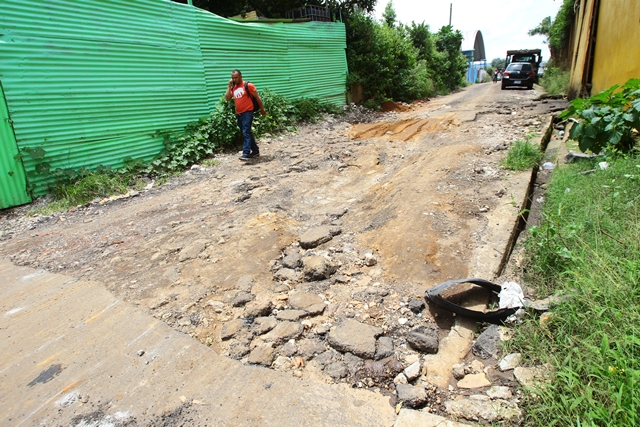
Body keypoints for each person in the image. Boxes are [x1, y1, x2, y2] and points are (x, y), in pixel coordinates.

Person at [225, 69, 266, 161]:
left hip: (248, 112)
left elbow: (257, 98)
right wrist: (229, 86)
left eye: (236, 77)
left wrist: (262, 109)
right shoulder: (233, 87)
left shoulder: (248, 86)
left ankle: (246, 152)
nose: (234, 79)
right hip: (239, 114)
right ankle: (255, 150)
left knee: (246, 132)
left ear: (240, 77)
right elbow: (227, 98)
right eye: (232, 78)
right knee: (247, 132)